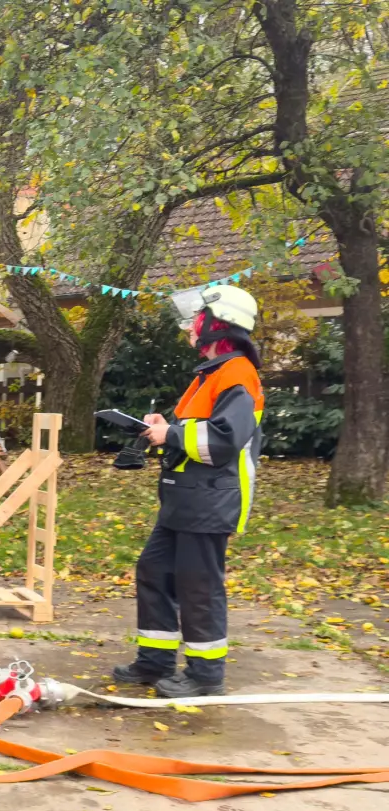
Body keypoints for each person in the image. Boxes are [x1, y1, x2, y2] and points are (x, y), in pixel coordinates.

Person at [111, 285, 264, 699]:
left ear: (218, 324)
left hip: (211, 499)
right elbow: (194, 431)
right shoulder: (212, 373)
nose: (191, 327)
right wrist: (166, 428)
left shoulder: (237, 373)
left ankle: (205, 674)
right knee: (155, 571)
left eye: (197, 319)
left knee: (199, 586)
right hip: (186, 498)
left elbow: (223, 441)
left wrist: (171, 434)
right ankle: (155, 661)